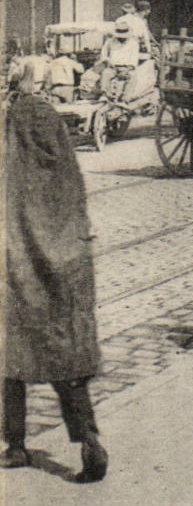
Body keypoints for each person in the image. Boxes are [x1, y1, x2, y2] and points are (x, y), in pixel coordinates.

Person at [3, 67, 109, 482]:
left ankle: (15, 445)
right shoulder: (66, 170)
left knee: (9, 362)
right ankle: (88, 439)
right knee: (67, 363)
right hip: (67, 272)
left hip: (20, 278)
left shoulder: (13, 167)